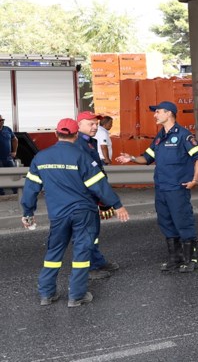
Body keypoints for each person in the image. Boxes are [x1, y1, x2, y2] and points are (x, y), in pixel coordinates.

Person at [21, 118, 129, 307]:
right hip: (83, 212)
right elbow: (98, 186)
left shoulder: (41, 157)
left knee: (54, 252)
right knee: (81, 251)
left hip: (58, 213)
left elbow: (31, 189)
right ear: (76, 134)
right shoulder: (81, 156)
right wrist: (117, 205)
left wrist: (28, 213)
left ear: (56, 133)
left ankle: (46, 294)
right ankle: (76, 296)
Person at [116, 101, 198, 273]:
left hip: (177, 187)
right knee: (165, 221)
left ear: (169, 113)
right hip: (162, 187)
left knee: (183, 221)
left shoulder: (183, 135)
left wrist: (195, 179)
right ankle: (175, 258)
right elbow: (147, 158)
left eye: (158, 112)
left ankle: (190, 258)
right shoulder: (159, 137)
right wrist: (132, 158)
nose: (155, 115)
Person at [74, 111, 120, 280]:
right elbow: (87, 175)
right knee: (86, 232)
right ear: (79, 125)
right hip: (84, 196)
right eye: (90, 124)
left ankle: (97, 261)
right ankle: (89, 267)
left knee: (93, 232)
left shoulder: (90, 142)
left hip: (92, 195)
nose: (95, 127)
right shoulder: (78, 144)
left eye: (96, 124)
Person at [0, 114, 16, 195]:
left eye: (3, 120)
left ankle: (16, 192)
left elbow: (14, 139)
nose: (2, 122)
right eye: (0, 120)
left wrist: (14, 151)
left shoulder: (7, 129)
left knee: (14, 175)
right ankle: (1, 194)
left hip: (8, 158)